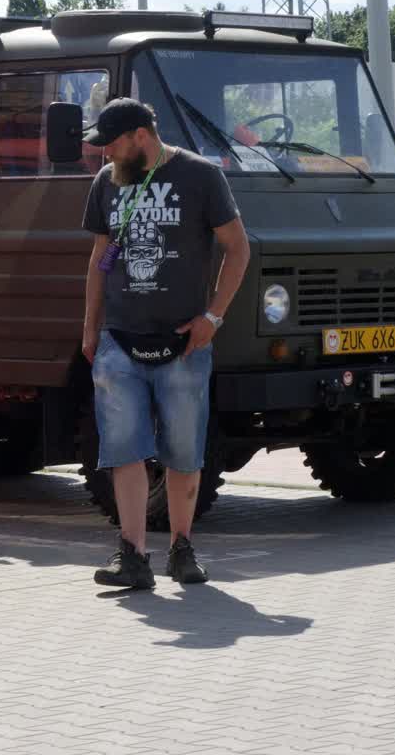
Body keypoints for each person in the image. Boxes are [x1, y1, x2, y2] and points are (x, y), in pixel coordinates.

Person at [80, 98, 249, 589]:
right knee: (124, 450)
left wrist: (213, 317)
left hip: (185, 342)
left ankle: (181, 548)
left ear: (140, 135)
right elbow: (99, 259)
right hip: (119, 339)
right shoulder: (107, 183)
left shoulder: (200, 176)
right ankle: (131, 556)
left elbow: (238, 247)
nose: (105, 153)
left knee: (183, 451)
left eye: (111, 143)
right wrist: (91, 328)